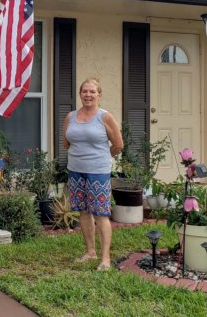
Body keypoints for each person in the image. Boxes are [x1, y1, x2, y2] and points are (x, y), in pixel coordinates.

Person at [62, 78, 123, 271]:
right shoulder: (70, 117)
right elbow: (65, 143)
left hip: (98, 172)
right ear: (80, 94)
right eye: (84, 91)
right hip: (75, 170)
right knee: (83, 211)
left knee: (101, 214)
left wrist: (102, 157)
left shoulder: (105, 117)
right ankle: (90, 252)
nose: (88, 95)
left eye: (92, 92)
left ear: (99, 94)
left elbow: (119, 144)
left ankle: (105, 259)